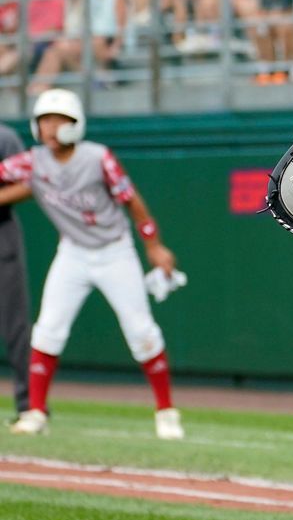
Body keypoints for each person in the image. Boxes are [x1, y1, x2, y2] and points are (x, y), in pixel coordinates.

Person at [0, 90, 183, 440]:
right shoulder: (34, 161)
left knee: (141, 332)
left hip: (115, 251)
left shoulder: (97, 157)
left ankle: (166, 410)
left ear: (75, 123)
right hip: (73, 252)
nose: (50, 127)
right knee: (48, 329)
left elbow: (131, 200)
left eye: (58, 120)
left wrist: (154, 245)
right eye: (44, 120)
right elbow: (9, 176)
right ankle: (36, 412)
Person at [0, 122, 31, 421]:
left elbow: (27, 184)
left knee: (15, 325)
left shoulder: (4, 137)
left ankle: (30, 407)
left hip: (2, 233)